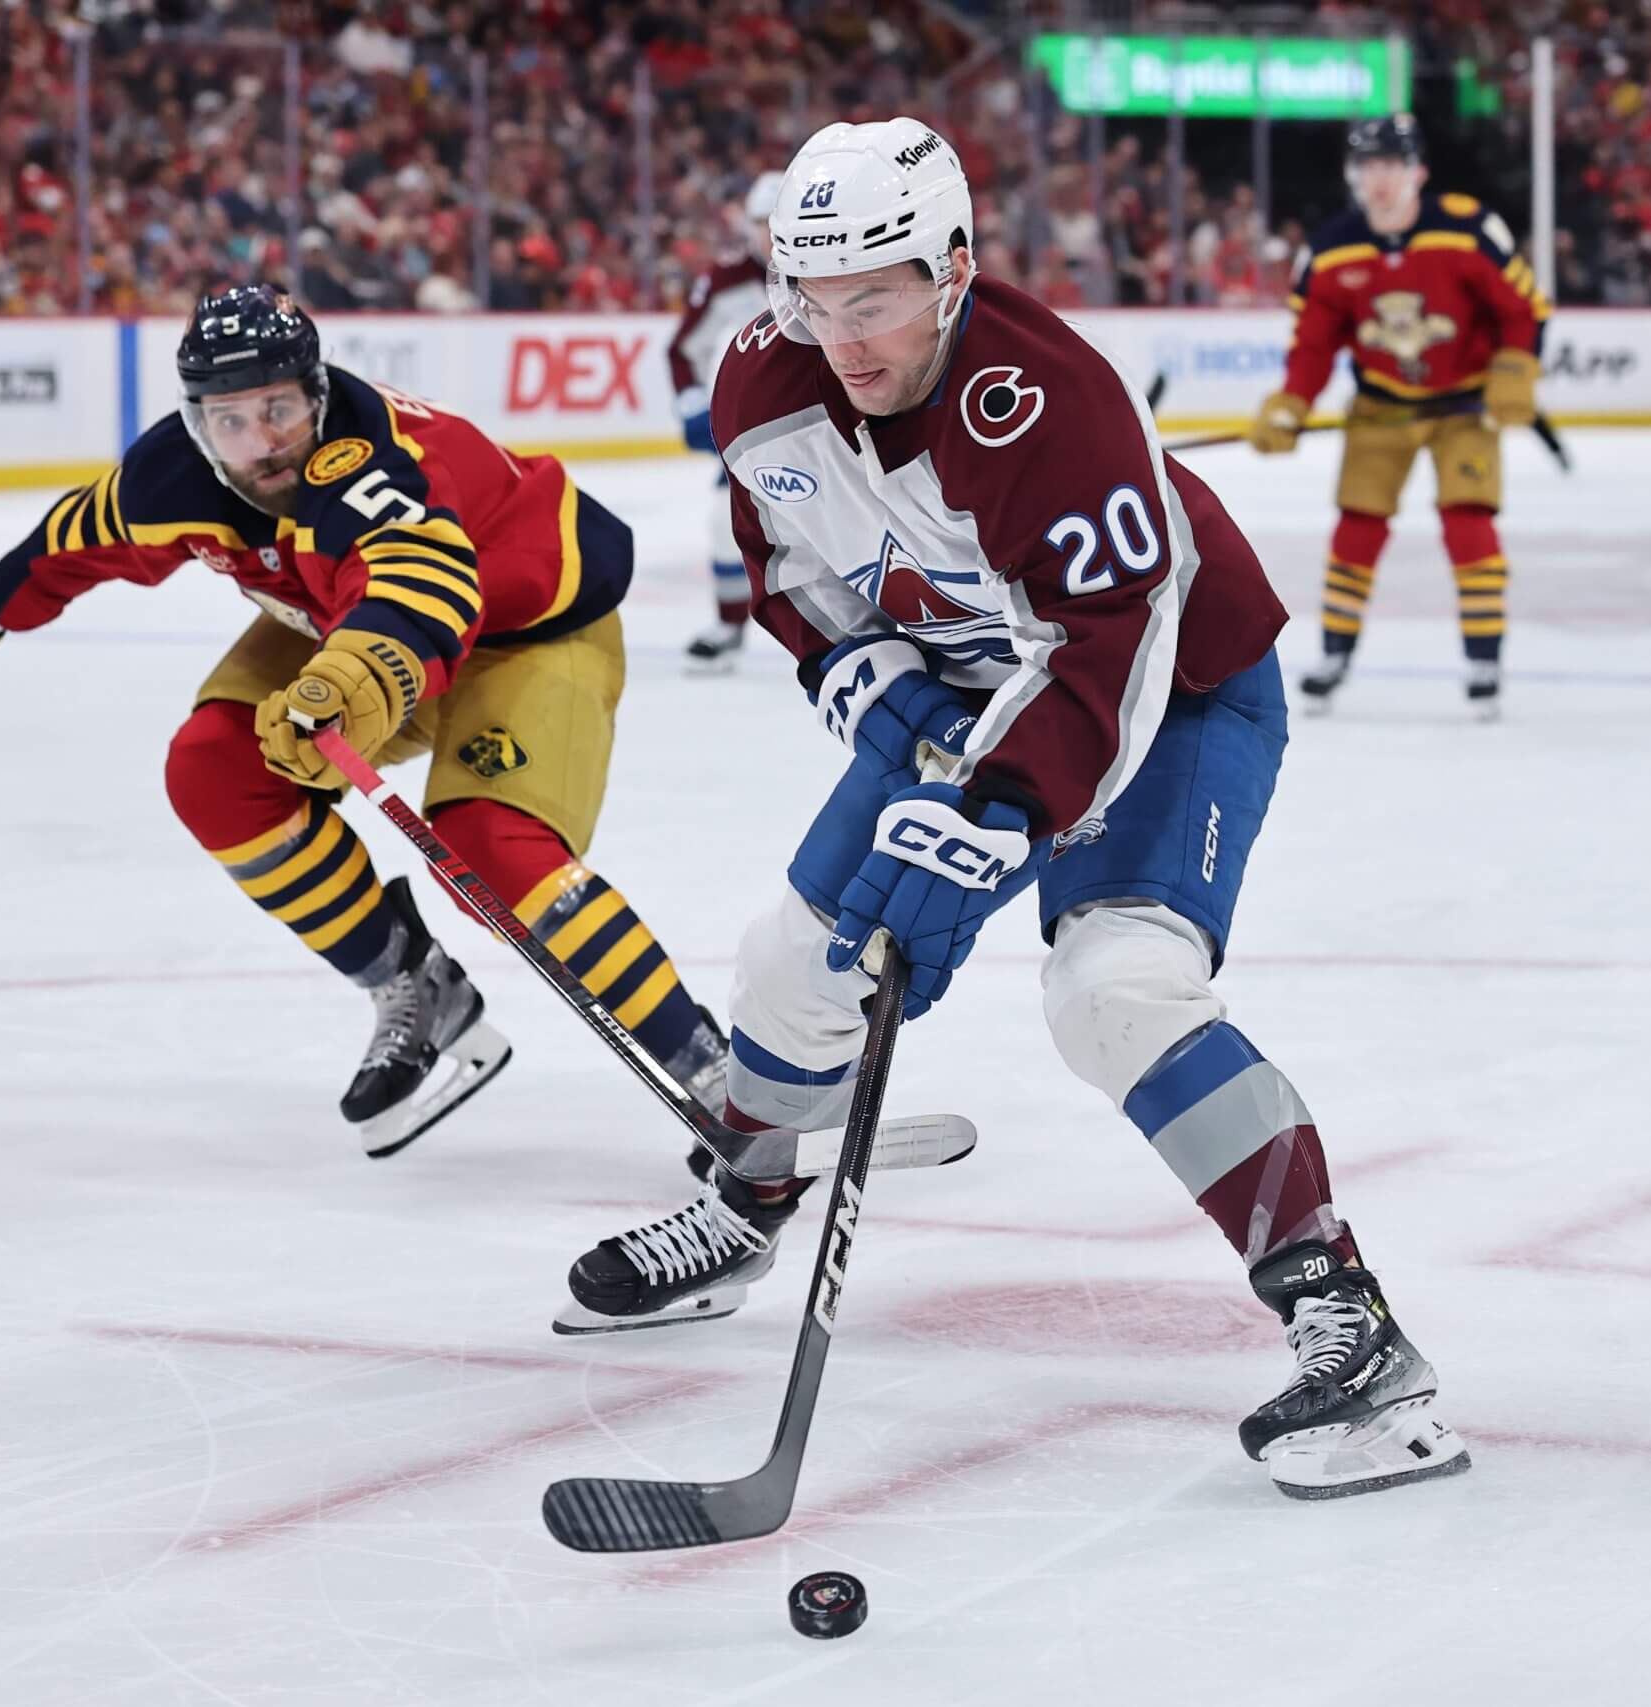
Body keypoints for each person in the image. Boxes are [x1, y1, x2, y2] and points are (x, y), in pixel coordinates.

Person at [556, 121, 1469, 1502]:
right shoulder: (764, 377)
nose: (841, 338)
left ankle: (1347, 1319)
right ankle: (748, 1203)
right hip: (967, 687)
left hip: (1173, 691)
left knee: (1116, 988)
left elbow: (1113, 646)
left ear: (953, 269)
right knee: (792, 962)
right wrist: (875, 687)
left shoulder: (1051, 403)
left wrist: (1001, 812)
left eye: (874, 298)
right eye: (812, 298)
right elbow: (788, 568)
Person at [0, 285, 727, 1158]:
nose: (263, 440)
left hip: (528, 626)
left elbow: (419, 579)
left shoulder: (372, 461)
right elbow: (78, 539)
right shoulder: (174, 475)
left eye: (279, 408)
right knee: (213, 769)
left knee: (491, 846)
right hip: (345, 624)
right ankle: (415, 986)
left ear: (317, 391)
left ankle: (719, 1078)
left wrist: (355, 676)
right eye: (231, 420)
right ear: (197, 423)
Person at [1246, 115, 1550, 719]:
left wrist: (1515, 369)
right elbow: (1313, 345)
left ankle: (1484, 660)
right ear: (1352, 175)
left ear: (1419, 172)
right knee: (1357, 527)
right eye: (1368, 166)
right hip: (1380, 409)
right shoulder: (1331, 250)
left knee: (1468, 523)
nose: (1380, 179)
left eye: (1392, 165)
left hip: (1464, 406)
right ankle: (1334, 654)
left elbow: (1524, 309)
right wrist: (1292, 403)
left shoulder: (1467, 231)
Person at [669, 171, 782, 672]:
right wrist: (693, 403)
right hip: (754, 430)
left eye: (777, 222)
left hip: (830, 424)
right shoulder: (725, 279)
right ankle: (730, 625)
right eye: (762, 223)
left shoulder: (833, 272)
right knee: (724, 520)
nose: (770, 235)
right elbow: (682, 349)